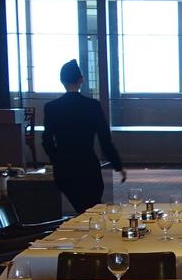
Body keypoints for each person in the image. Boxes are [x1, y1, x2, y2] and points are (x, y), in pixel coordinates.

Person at [41, 60, 126, 213]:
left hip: (64, 169)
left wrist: (57, 159)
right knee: (91, 208)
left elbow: (47, 140)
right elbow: (105, 141)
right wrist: (118, 166)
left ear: (62, 81)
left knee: (82, 208)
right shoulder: (92, 106)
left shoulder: (51, 107)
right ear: (81, 80)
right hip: (88, 166)